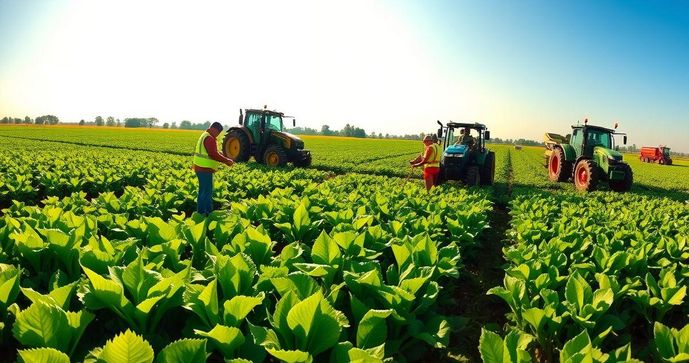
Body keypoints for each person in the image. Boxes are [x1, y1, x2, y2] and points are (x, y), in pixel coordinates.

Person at [193, 122, 234, 216]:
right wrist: (226, 161)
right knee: (207, 192)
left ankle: (200, 213)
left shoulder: (205, 135)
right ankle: (208, 213)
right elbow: (213, 154)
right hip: (204, 168)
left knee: (202, 192)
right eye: (218, 132)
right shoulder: (209, 138)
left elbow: (214, 152)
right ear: (213, 129)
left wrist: (224, 157)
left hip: (200, 167)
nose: (217, 135)